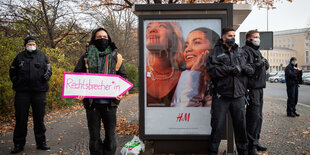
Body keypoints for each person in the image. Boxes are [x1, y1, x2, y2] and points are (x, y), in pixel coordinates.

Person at [74, 28, 127, 155]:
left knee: (110, 135)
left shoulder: (116, 57)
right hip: (92, 104)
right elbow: (77, 75)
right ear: (94, 39)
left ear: (108, 38)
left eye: (104, 36)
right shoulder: (86, 56)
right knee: (94, 136)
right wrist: (78, 91)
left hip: (110, 104)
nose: (102, 39)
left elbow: (123, 76)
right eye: (99, 37)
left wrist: (120, 91)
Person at [206, 28, 254, 155]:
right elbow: (211, 71)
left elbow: (250, 69)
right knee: (217, 128)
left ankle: (243, 152)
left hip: (238, 96)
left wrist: (242, 68)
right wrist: (229, 69)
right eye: (229, 35)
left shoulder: (241, 51)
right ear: (223, 37)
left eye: (234, 35)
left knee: (241, 128)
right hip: (221, 97)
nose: (232, 37)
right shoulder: (215, 52)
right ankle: (212, 152)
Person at [9, 36, 52, 154]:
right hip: (22, 92)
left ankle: (41, 142)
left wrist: (47, 76)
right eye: (29, 44)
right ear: (25, 45)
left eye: (33, 44)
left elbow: (49, 68)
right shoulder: (19, 56)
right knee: (21, 119)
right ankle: (18, 144)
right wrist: (16, 81)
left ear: (36, 44)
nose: (31, 45)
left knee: (39, 119)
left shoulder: (42, 55)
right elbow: (12, 71)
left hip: (39, 92)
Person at [171, 27, 219, 107]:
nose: (187, 50)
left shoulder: (220, 82)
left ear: (212, 49)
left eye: (196, 42)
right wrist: (194, 74)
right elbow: (180, 112)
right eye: (186, 46)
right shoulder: (182, 78)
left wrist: (194, 74)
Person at [242, 30, 269, 155]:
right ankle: (250, 146)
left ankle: (256, 141)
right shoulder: (245, 51)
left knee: (259, 117)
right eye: (255, 37)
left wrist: (264, 63)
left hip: (259, 88)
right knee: (253, 117)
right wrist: (258, 64)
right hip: (252, 89)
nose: (258, 39)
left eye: (258, 37)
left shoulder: (257, 50)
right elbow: (247, 69)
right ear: (249, 39)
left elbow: (264, 65)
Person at [145, 22, 184, 107]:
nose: (152, 30)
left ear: (174, 37)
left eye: (161, 26)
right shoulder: (142, 72)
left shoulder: (184, 77)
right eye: (148, 27)